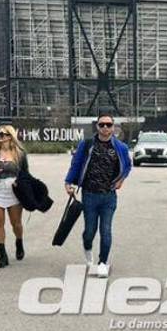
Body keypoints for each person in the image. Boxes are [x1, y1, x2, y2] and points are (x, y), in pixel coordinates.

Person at [64, 112, 132, 278]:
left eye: (109, 125)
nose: (105, 128)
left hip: (109, 196)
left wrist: (121, 179)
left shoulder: (120, 147)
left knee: (106, 230)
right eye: (102, 124)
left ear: (113, 127)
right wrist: (68, 182)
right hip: (89, 195)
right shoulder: (87, 145)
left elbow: (128, 165)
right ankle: (87, 248)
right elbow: (76, 164)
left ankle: (102, 262)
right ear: (97, 126)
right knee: (90, 231)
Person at [0, 125, 30, 268]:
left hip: (14, 191)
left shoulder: (20, 153)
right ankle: (2, 254)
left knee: (16, 223)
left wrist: (21, 184)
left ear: (10, 136)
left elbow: (25, 173)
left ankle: (19, 241)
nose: (0, 137)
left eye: (3, 134)